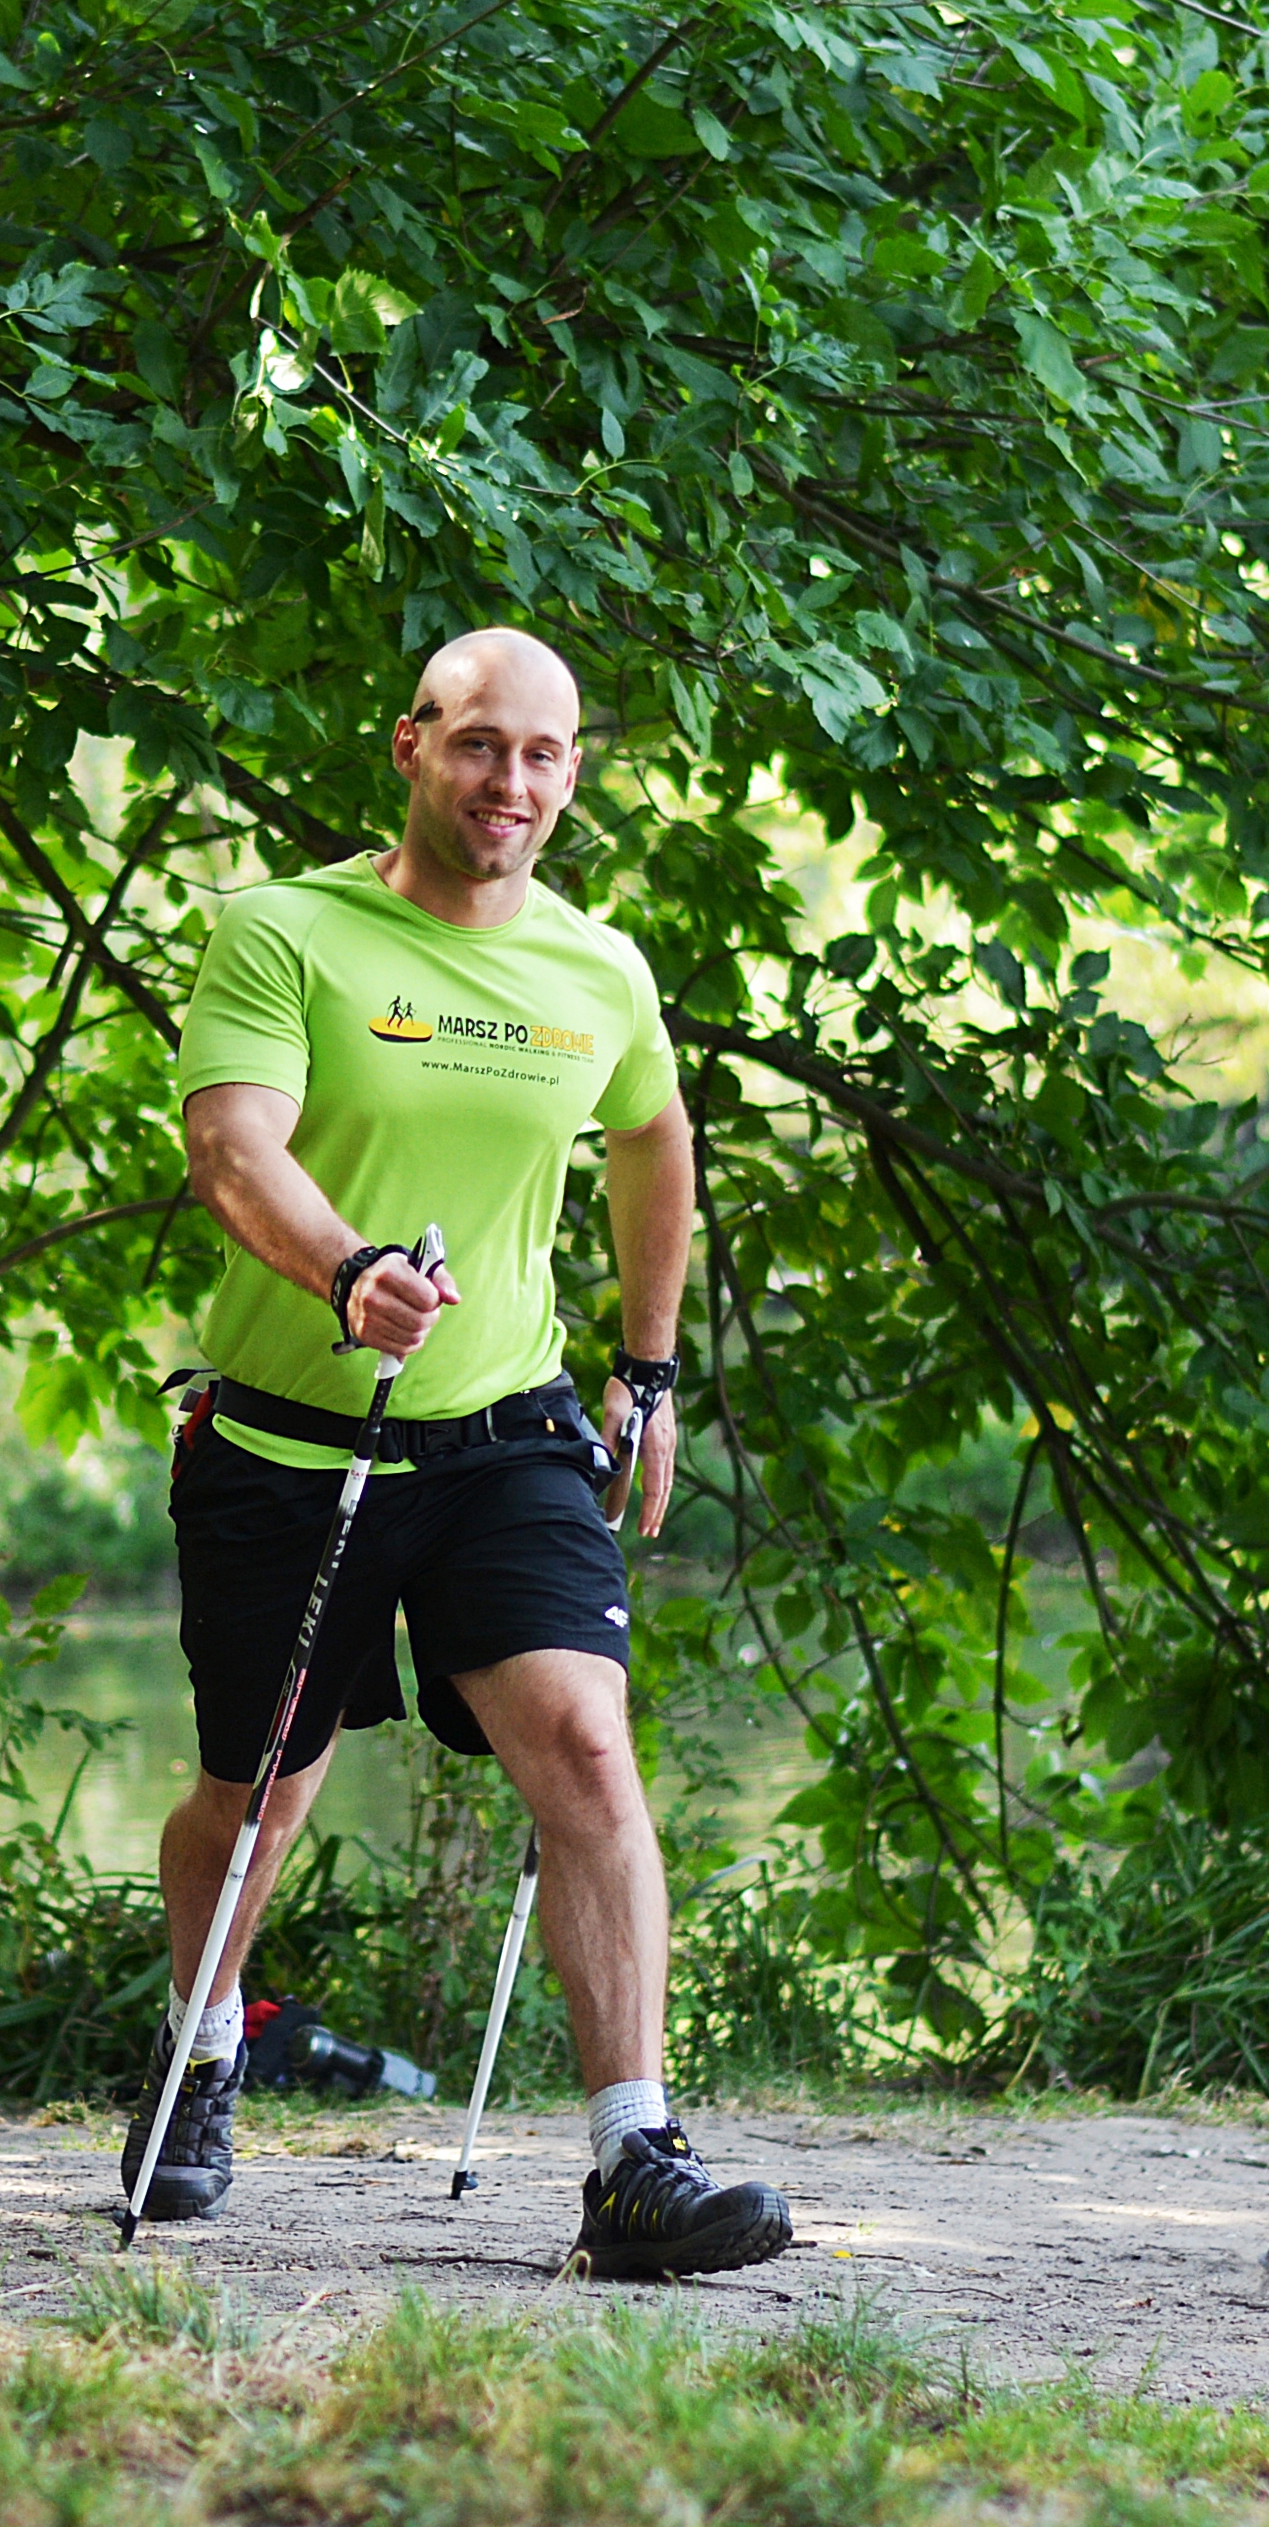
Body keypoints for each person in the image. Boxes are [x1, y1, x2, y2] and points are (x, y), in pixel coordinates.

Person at [134, 626, 793, 2279]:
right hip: (290, 1439)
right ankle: (203, 2046)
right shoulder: (285, 929)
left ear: (573, 774)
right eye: (483, 745)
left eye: (547, 755)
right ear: (411, 745)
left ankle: (634, 2155)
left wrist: (647, 1365)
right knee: (257, 1796)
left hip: (507, 1431)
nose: (514, 782)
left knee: (582, 1747)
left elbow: (657, 1140)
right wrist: (345, 1270)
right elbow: (230, 1146)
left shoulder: (599, 971)